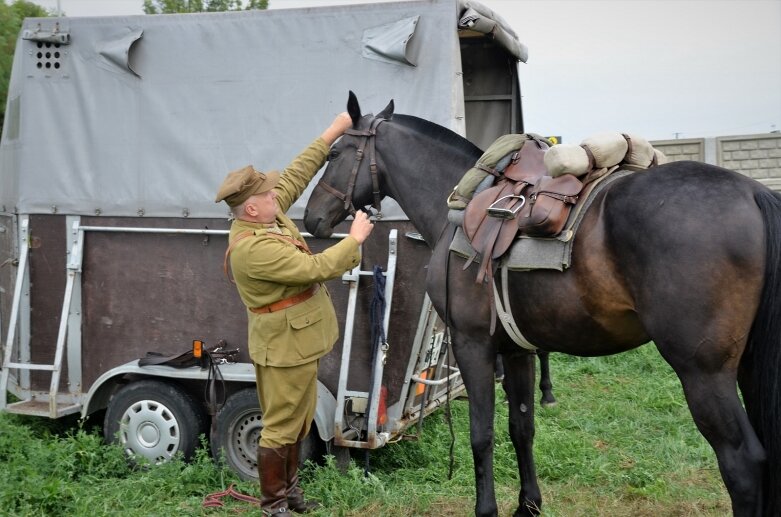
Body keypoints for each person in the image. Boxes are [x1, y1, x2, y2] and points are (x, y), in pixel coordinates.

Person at [214, 112, 374, 516]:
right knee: (282, 426)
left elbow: (294, 176)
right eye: (268, 197)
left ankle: (291, 495)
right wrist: (353, 240)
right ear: (250, 210)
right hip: (284, 346)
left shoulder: (266, 216)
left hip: (299, 340)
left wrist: (333, 132)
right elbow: (315, 269)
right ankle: (274, 507)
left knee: (299, 423)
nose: (277, 197)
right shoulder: (253, 249)